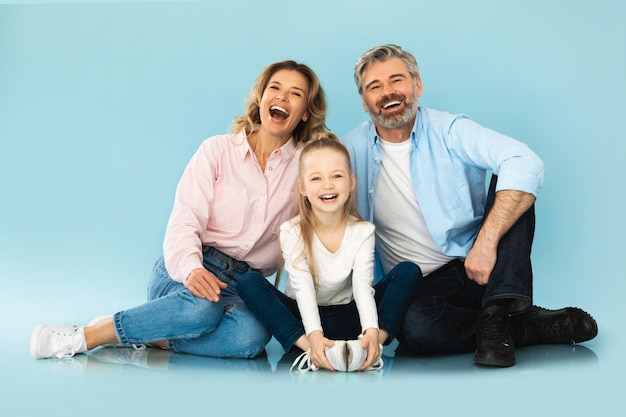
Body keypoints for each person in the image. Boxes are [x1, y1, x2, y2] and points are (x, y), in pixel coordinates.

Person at [29, 60, 328, 360]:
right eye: (274, 88)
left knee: (252, 338)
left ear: (305, 113)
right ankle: (90, 335)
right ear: (261, 98)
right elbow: (185, 219)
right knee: (202, 308)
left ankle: (151, 337)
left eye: (295, 94)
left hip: (245, 286)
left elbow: (316, 226)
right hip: (188, 267)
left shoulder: (307, 167)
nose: (281, 98)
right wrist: (192, 269)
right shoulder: (217, 150)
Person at [341, 44, 598, 368]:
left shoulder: (450, 130)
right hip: (420, 285)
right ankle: (515, 326)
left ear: (417, 85)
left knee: (515, 185)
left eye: (397, 80)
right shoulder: (348, 150)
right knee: (416, 330)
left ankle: (498, 307)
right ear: (364, 102)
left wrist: (486, 242)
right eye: (374, 87)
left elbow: (525, 161)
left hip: (480, 266)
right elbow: (309, 179)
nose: (388, 92)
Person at [237, 133, 421, 372]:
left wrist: (372, 331)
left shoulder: (362, 231)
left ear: (351, 182)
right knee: (249, 282)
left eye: (337, 176)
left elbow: (363, 288)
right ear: (302, 187)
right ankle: (309, 349)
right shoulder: (291, 231)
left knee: (409, 272)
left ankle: (371, 345)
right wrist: (312, 336)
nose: (327, 185)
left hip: (349, 316)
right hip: (304, 321)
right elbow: (303, 290)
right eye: (316, 178)